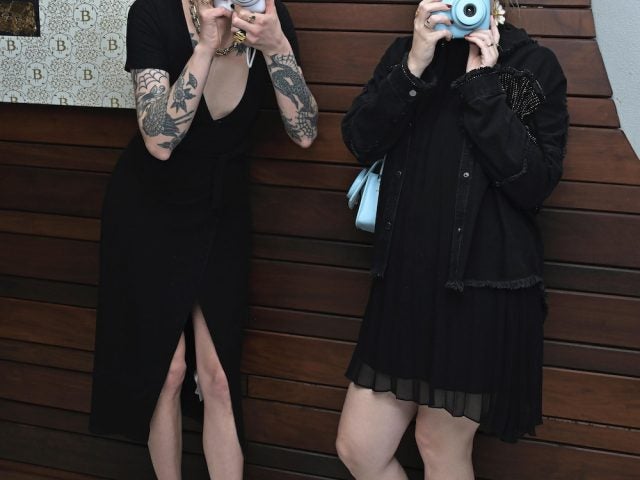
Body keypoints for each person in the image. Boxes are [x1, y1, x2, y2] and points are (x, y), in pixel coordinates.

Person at [336, 0, 568, 478]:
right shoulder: (406, 54)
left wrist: (483, 86)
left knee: (439, 446)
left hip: (479, 291)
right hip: (405, 285)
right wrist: (412, 67)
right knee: (359, 448)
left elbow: (533, 184)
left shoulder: (529, 65)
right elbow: (360, 139)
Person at [89, 0, 317, 478]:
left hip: (220, 210)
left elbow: (304, 132)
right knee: (167, 370)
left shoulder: (269, 18)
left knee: (217, 377)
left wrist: (277, 46)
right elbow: (158, 141)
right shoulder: (152, 13)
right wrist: (205, 49)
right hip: (150, 210)